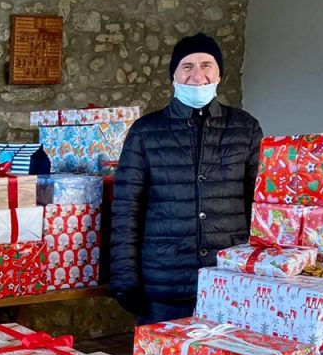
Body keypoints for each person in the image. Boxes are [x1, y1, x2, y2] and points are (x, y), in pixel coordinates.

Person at [110, 32, 263, 325]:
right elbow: (126, 209)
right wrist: (124, 278)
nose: (198, 75)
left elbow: (259, 205)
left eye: (206, 65)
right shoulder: (146, 132)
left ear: (219, 73)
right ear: (174, 76)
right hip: (165, 283)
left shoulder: (245, 128)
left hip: (228, 280)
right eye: (187, 66)